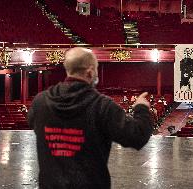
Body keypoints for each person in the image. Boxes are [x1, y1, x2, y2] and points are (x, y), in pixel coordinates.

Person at [28, 47, 153, 189]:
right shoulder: (102, 106)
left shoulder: (40, 101)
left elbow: (32, 122)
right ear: (90, 71)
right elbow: (137, 136)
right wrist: (141, 108)